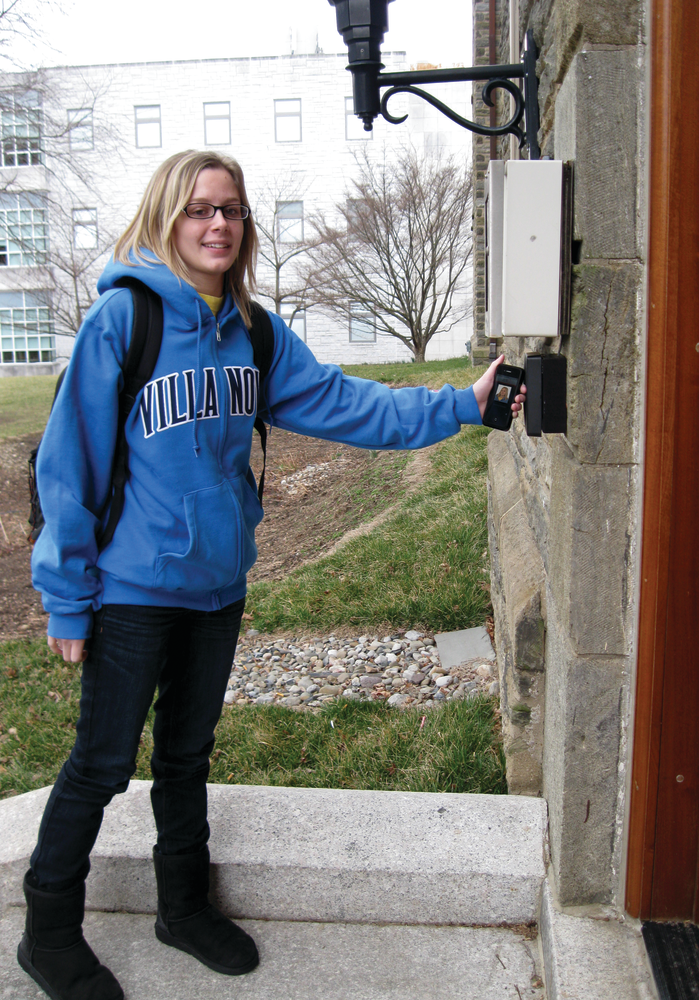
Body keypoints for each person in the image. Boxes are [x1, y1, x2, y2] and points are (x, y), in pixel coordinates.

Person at [19, 149, 525, 1000]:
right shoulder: (124, 321)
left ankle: (183, 909)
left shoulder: (253, 331)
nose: (218, 224)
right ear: (166, 219)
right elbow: (67, 470)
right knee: (102, 763)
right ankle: (48, 932)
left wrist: (460, 405)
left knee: (187, 756)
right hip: (133, 593)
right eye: (198, 209)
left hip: (218, 590)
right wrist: (67, 599)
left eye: (232, 210)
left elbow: (344, 403)